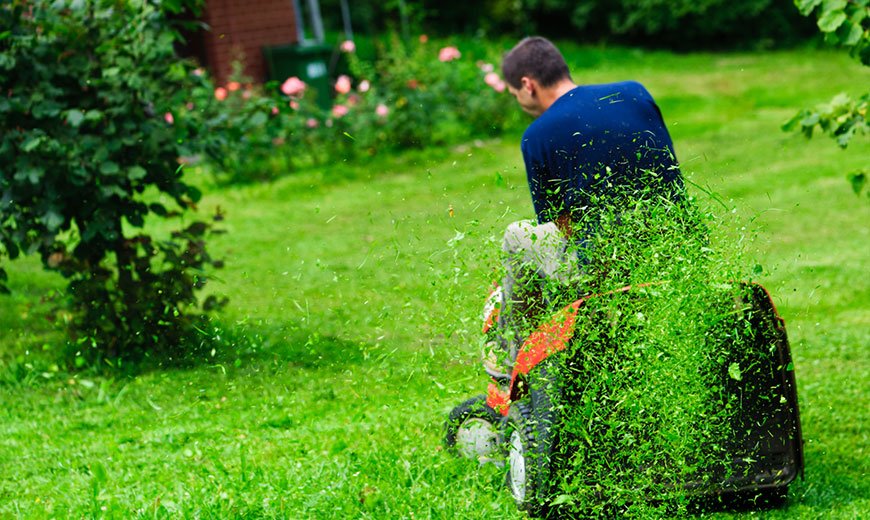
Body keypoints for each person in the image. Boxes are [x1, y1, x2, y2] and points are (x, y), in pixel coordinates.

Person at [484, 36, 684, 376]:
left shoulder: (538, 135)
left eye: (515, 94)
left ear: (527, 85)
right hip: (676, 247)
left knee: (518, 235)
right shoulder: (635, 93)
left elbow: (561, 227)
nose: (519, 101)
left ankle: (514, 357)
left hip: (609, 269)